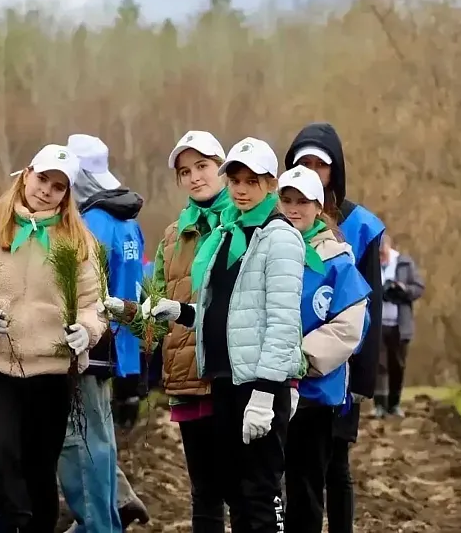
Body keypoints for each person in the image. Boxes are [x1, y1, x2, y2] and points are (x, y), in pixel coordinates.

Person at [0, 144, 107, 533]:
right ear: (27, 173)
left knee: (39, 464)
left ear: (67, 195)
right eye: (42, 179)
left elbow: (94, 303)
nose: (46, 190)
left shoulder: (80, 241)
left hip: (51, 369)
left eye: (58, 186)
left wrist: (87, 330)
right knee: (1, 456)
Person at [145, 137, 304, 533]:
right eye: (235, 180)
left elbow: (283, 322)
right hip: (225, 382)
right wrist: (182, 312)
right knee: (235, 491)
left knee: (261, 495)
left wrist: (267, 393)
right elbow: (229, 315)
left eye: (252, 180)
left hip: (258, 384)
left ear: (270, 182)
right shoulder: (229, 235)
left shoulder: (279, 237)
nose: (242, 189)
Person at [105, 130, 231, 532]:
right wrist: (123, 313)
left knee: (250, 491)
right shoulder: (174, 236)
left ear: (222, 169)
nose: (195, 177)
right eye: (185, 171)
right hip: (187, 380)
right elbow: (154, 318)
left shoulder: (246, 225)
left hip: (235, 379)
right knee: (204, 494)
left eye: (203, 167)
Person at [285, 122, 385, 533]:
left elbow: (368, 304)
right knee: (297, 469)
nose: (311, 171)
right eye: (302, 163)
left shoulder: (360, 225)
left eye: (319, 165)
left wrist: (363, 377)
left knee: (336, 460)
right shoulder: (282, 222)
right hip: (290, 371)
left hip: (340, 362)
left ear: (334, 171)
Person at [57, 134, 147, 533]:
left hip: (88, 344)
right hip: (117, 346)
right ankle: (105, 519)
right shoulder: (127, 222)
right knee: (100, 438)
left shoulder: (89, 225)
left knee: (78, 442)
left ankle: (99, 524)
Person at [373, 234, 424, 418]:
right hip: (377, 324)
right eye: (378, 255)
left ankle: (394, 405)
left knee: (397, 366)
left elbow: (419, 288)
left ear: (389, 247)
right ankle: (379, 405)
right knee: (378, 366)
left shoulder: (404, 263)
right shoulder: (370, 264)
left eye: (383, 253)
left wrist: (403, 289)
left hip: (399, 325)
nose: (381, 257)